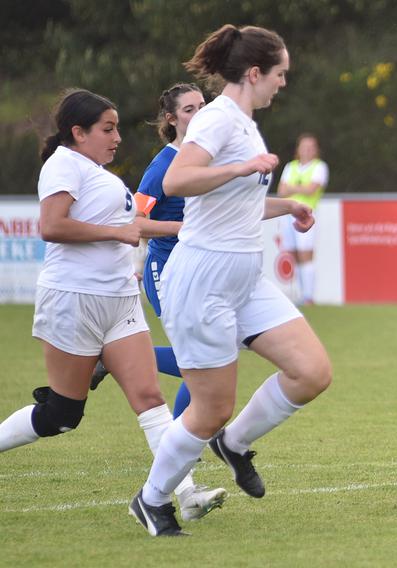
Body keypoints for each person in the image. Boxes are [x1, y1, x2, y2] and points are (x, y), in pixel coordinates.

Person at [129, 25, 330, 537]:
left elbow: (232, 200)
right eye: (280, 74)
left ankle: (233, 444)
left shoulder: (243, 121)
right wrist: (243, 167)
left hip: (244, 277)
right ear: (255, 73)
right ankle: (152, 500)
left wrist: (286, 207)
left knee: (311, 372)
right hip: (202, 278)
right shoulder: (218, 118)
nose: (283, 83)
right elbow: (178, 181)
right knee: (211, 406)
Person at [0, 89, 224, 519]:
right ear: (78, 132)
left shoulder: (100, 173)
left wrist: (182, 227)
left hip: (119, 298)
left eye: (117, 127)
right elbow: (52, 226)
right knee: (62, 416)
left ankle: (187, 495)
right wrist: (118, 234)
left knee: (150, 399)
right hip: (74, 299)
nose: (117, 137)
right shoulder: (63, 164)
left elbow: (132, 224)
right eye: (108, 128)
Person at [92, 83, 228, 521]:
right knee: (203, 362)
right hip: (166, 273)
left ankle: (118, 359)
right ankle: (183, 464)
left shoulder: (207, 157)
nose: (199, 113)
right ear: (171, 119)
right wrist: (187, 232)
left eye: (203, 106)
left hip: (203, 272)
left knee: (215, 355)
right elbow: (138, 222)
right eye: (189, 109)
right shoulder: (164, 164)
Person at [277, 133, 328, 305]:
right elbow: (281, 192)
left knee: (306, 254)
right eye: (304, 146)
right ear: (298, 149)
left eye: (311, 147)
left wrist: (292, 188)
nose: (307, 150)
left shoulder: (319, 167)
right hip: (287, 215)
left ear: (316, 150)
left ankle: (309, 297)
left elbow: (312, 189)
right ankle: (300, 294)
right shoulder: (290, 167)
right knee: (293, 254)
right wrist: (300, 188)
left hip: (307, 215)